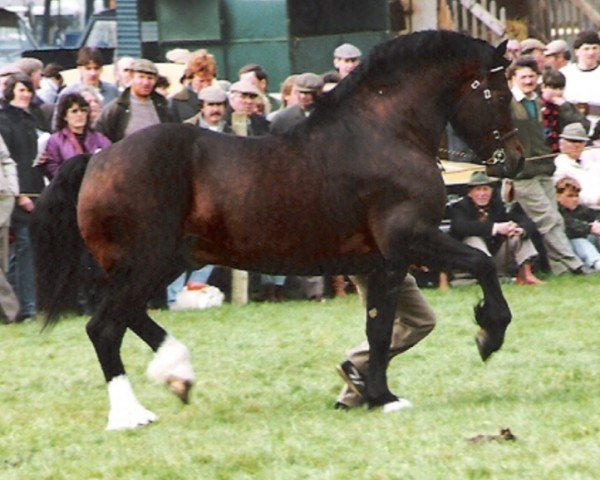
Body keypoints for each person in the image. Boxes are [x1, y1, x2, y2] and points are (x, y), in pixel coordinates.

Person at [508, 56, 584, 275]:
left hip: (543, 169)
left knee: (555, 219)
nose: (529, 80)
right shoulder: (506, 105)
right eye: (523, 76)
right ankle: (575, 264)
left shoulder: (541, 103)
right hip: (522, 175)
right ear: (513, 79)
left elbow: (578, 124)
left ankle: (560, 270)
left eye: (532, 76)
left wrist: (562, 103)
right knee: (548, 219)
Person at [166, 86, 232, 309]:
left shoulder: (232, 131)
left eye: (219, 105)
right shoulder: (186, 131)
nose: (215, 110)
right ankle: (174, 299)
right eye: (211, 105)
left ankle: (193, 294)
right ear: (201, 107)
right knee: (179, 249)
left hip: (220, 200)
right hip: (189, 198)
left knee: (209, 249)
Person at [334, 273, 436, 410]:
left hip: (363, 264)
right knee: (421, 321)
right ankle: (357, 362)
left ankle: (351, 397)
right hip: (380, 265)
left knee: (382, 325)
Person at [269, 73, 326, 300]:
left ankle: (315, 292)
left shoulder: (331, 116)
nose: (304, 98)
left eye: (309, 94)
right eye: (300, 93)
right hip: (290, 184)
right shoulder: (281, 119)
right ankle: (284, 290)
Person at [0, 74, 47, 321]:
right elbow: (10, 162)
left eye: (28, 89)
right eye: (21, 89)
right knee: (22, 248)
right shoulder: (4, 119)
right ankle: (25, 308)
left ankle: (19, 307)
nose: (26, 94)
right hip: (16, 195)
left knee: (20, 251)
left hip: (32, 191)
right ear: (10, 92)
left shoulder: (32, 118)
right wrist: (19, 196)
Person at [449, 171, 542, 285]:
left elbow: (526, 221)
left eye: (485, 189)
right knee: (473, 239)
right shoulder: (461, 207)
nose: (482, 194)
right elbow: (461, 227)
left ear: (491, 191)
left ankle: (526, 275)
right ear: (470, 193)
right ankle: (488, 277)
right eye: (478, 190)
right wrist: (496, 228)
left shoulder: (498, 205)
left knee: (519, 236)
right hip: (470, 260)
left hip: (497, 256)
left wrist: (518, 228)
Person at [95, 59, 171, 143]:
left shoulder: (163, 106)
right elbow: (98, 136)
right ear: (131, 78)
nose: (146, 82)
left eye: (150, 78)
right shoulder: (117, 108)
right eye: (141, 77)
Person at [37, 93, 111, 180]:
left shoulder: (100, 138)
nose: (79, 114)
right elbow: (52, 169)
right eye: (74, 111)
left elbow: (111, 160)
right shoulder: (55, 140)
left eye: (83, 110)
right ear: (65, 116)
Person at [555, 177, 600, 272]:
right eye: (570, 196)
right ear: (558, 196)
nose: (575, 199)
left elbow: (595, 214)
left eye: (576, 196)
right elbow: (568, 225)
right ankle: (597, 263)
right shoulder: (555, 211)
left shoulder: (580, 209)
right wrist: (590, 228)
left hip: (587, 243)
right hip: (567, 247)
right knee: (579, 241)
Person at [540, 69, 590, 153]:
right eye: (554, 88)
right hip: (541, 152)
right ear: (543, 87)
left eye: (561, 88)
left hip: (562, 152)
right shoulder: (536, 104)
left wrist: (564, 107)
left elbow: (584, 126)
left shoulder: (567, 107)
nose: (558, 92)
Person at [552, 123, 600, 208]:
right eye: (572, 141)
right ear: (562, 144)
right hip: (581, 210)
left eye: (580, 141)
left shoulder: (591, 156)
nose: (577, 145)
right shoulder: (559, 165)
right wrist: (596, 200)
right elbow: (566, 195)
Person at [560, 30, 600, 133]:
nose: (591, 53)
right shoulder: (565, 74)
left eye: (595, 48)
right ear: (576, 52)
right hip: (571, 131)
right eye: (586, 49)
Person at [0, 134, 20, 324]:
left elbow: (7, 161)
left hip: (2, 203)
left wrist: (12, 189)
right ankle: (11, 310)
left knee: (3, 264)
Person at [169, 49, 217, 123]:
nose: (206, 85)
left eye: (209, 81)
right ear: (191, 78)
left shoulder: (220, 99)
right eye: (201, 81)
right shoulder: (176, 101)